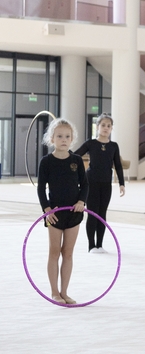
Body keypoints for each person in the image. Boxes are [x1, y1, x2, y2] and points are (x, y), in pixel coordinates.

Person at [37, 118, 89, 305]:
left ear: (72, 139)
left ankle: (65, 292)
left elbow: (84, 185)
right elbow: (41, 188)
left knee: (68, 253)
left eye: (67, 136)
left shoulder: (76, 160)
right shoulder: (46, 162)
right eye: (59, 136)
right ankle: (54, 292)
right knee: (54, 252)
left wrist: (82, 201)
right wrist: (47, 209)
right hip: (55, 214)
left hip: (74, 212)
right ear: (52, 138)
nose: (63, 139)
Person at [74, 113, 126, 253]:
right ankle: (91, 245)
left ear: (111, 129)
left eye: (108, 126)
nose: (105, 128)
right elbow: (76, 156)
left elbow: (118, 165)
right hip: (91, 182)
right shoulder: (90, 143)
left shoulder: (114, 146)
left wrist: (122, 183)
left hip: (106, 183)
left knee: (102, 214)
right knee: (92, 213)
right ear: (97, 127)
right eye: (103, 125)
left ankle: (100, 245)